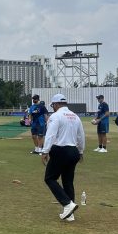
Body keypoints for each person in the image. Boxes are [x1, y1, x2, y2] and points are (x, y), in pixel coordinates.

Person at [41, 94, 85, 222]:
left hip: (60, 150)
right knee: (68, 182)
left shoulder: (55, 116)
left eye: (53, 106)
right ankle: (70, 214)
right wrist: (81, 151)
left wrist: (45, 151)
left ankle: (67, 204)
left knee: (49, 178)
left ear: (55, 104)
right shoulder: (75, 117)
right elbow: (81, 136)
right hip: (73, 151)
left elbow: (50, 135)